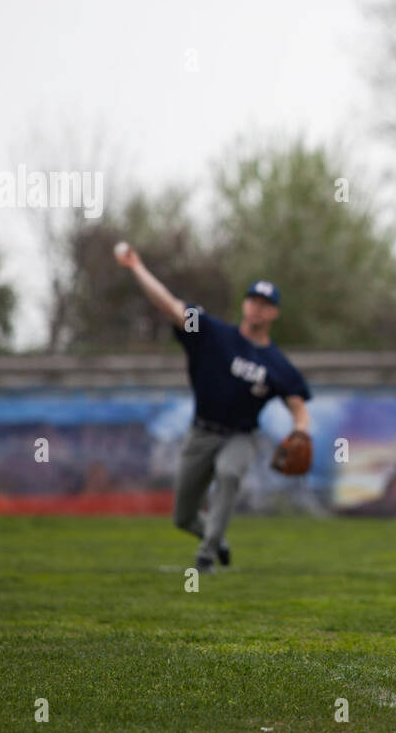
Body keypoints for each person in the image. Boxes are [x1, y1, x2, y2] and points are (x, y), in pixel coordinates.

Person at [116, 245, 311, 573]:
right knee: (183, 517)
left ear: (274, 313)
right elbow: (170, 305)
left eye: (266, 305)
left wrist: (301, 430)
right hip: (201, 431)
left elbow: (298, 406)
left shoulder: (278, 365)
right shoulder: (210, 333)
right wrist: (137, 267)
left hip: (240, 436)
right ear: (244, 303)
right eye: (254, 301)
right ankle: (215, 538)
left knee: (229, 473)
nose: (258, 308)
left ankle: (205, 557)